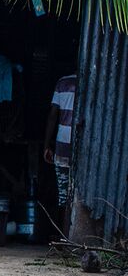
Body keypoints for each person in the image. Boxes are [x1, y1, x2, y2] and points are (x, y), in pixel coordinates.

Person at [43, 72, 77, 233]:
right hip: (83, 148)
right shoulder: (95, 81)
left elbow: (52, 116)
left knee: (63, 196)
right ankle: (69, 237)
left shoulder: (62, 82)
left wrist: (46, 145)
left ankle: (62, 237)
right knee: (78, 195)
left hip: (62, 144)